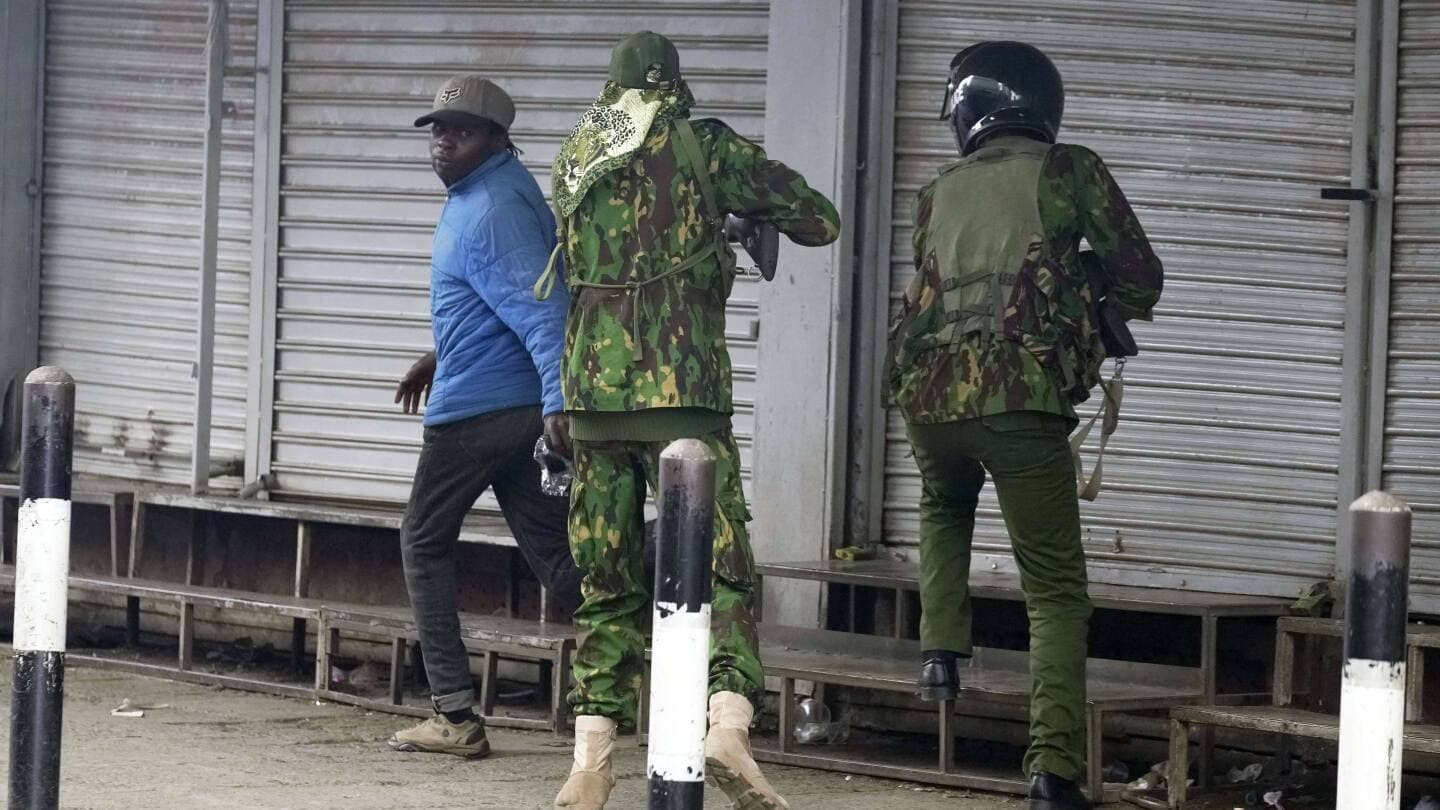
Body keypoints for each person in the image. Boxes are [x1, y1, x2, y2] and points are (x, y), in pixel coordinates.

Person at [540, 31, 841, 810]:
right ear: (674, 84)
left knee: (607, 581)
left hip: (592, 403)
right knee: (725, 568)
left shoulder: (578, 155)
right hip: (684, 399)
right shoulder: (705, 145)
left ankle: (591, 761)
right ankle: (727, 724)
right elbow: (820, 219)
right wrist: (733, 216)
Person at [884, 42, 1163, 810]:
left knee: (944, 506)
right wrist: (1091, 291)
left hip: (929, 399)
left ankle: (940, 652)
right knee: (1055, 594)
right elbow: (1143, 276)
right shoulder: (1069, 171)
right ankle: (1053, 771)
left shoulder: (937, 189)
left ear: (972, 115)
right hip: (1019, 399)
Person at [385, 74, 583, 760]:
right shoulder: (490, 192)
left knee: (422, 540)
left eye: (460, 131)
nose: (442, 143)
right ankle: (681, 631)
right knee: (559, 562)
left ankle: (454, 713)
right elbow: (498, 295)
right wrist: (440, 352)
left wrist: (559, 400)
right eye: (437, 130)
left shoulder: (492, 206)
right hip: (505, 402)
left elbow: (543, 307)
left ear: (498, 138)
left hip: (479, 412)